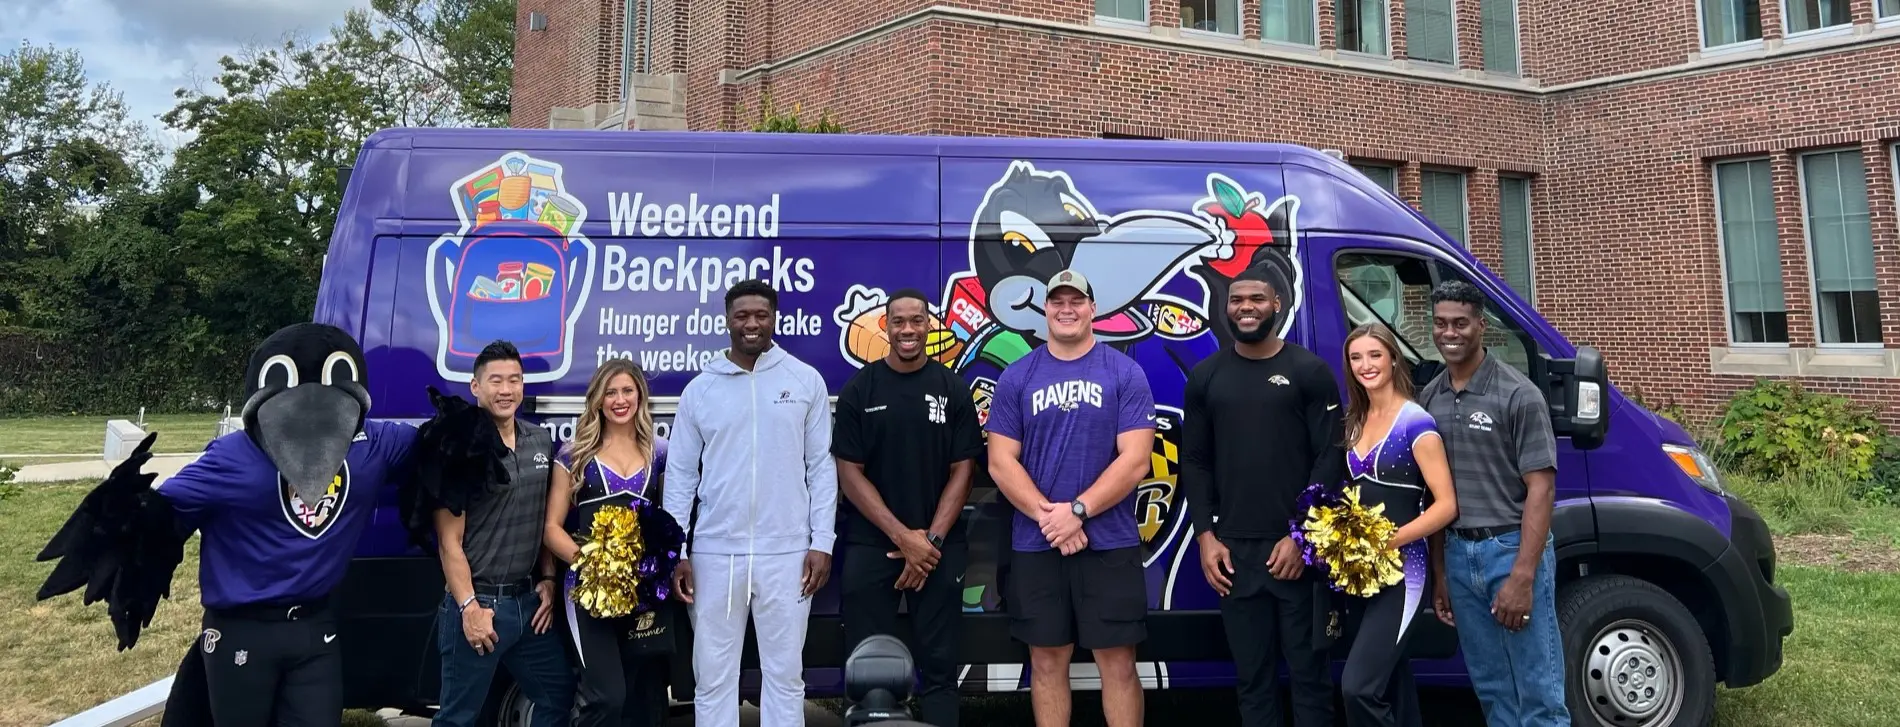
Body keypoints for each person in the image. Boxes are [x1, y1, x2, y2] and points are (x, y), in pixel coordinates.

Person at [33, 323, 499, 726]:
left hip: (315, 628)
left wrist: (471, 424)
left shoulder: (371, 446)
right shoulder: (232, 458)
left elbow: (436, 448)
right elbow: (158, 519)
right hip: (241, 630)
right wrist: (119, 517)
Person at [665, 279, 840, 727]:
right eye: (742, 315)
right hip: (714, 553)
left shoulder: (804, 381)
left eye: (761, 314)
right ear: (727, 319)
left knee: (784, 677)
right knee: (713, 678)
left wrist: (822, 542)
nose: (751, 323)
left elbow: (821, 467)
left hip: (787, 553)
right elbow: (682, 475)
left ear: (774, 318)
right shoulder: (700, 390)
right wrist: (677, 551)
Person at [986, 269, 1155, 727]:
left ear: (1092, 309)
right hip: (1037, 544)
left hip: (1110, 543)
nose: (1066, 309)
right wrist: (1053, 520)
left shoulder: (1124, 372)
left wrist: (1078, 512)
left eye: (1076, 301)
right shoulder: (1018, 376)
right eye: (1057, 301)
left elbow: (1136, 459)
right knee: (1046, 662)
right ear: (1045, 311)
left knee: (1118, 663)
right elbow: (1001, 462)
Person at [1180, 262, 1344, 727]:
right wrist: (1205, 537)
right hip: (1232, 555)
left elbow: (1330, 457)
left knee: (1312, 681)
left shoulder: (1308, 371)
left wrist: (1303, 536)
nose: (1246, 308)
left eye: (1256, 299)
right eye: (1237, 300)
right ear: (1226, 307)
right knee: (1253, 682)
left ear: (1277, 304)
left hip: (1297, 554)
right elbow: (1194, 461)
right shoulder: (1206, 376)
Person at [1419, 280, 1571, 727]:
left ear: (1481, 326)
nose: (1450, 333)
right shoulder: (1431, 399)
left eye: (1461, 323)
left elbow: (1541, 489)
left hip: (1510, 551)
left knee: (1538, 690)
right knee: (1492, 689)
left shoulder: (1518, 395)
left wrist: (1523, 575)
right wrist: (1442, 575)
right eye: (1441, 323)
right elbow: (1434, 498)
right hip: (1460, 560)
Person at [833, 288, 987, 727]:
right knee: (867, 670)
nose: (907, 330)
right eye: (898, 321)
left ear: (929, 324)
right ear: (886, 325)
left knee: (939, 669)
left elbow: (964, 471)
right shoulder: (860, 390)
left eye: (916, 320)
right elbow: (850, 473)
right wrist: (905, 539)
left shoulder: (952, 388)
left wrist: (930, 543)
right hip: (872, 546)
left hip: (939, 549)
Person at [433, 340, 575, 727]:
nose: (506, 390)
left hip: (528, 605)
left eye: (515, 380)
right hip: (479, 604)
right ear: (475, 387)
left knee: (557, 696)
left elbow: (541, 519)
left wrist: (547, 578)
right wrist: (469, 610)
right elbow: (449, 542)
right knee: (458, 718)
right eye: (496, 381)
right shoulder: (457, 448)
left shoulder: (540, 441)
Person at [1336, 324, 1458, 727]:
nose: (1366, 365)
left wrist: (1393, 540)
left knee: (1359, 686)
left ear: (1392, 358)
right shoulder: (1355, 419)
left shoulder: (1416, 423)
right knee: (1392, 683)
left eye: (1374, 355)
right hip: (1361, 574)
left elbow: (1446, 506)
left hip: (1405, 573)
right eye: (1356, 358)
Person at [546, 358, 677, 727]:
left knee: (640, 698)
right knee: (605, 695)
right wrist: (593, 565)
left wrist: (661, 567)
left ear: (640, 396)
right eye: (611, 392)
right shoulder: (575, 454)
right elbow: (551, 528)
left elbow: (671, 521)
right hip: (589, 593)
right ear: (598, 400)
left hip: (643, 593)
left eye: (627, 391)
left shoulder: (660, 452)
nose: (620, 400)